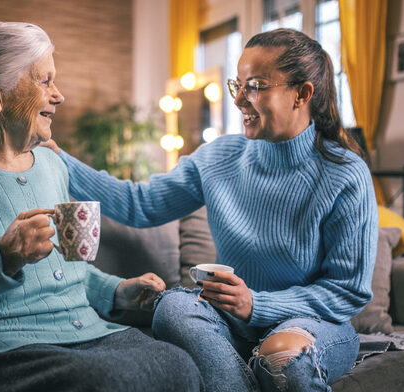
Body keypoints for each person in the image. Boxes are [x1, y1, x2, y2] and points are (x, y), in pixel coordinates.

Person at [44, 28, 378, 391]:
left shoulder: (345, 173)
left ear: (302, 94)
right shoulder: (218, 157)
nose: (239, 99)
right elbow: (140, 205)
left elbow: (347, 291)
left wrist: (257, 304)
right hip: (232, 320)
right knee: (172, 307)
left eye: (255, 85)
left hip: (311, 322)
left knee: (283, 359)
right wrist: (60, 160)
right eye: (238, 85)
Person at [0, 21, 202, 392]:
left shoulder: (52, 165)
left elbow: (68, 272)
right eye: (44, 81)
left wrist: (119, 291)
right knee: (110, 381)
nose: (59, 96)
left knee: (180, 366)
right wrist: (1, 258)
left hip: (82, 333)